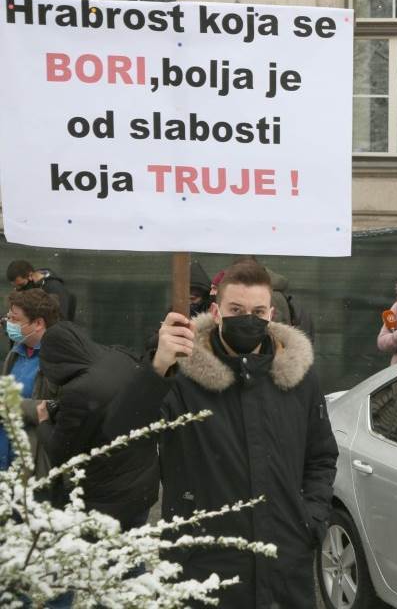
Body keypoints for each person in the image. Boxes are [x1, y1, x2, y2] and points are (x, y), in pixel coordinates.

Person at [103, 260, 338, 608]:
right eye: (236, 309)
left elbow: (320, 456)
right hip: (202, 565)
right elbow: (123, 437)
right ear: (216, 311)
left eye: (258, 311)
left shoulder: (298, 378)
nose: (249, 318)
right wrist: (156, 369)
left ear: (271, 313)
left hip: (285, 563)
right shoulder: (181, 377)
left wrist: (311, 520)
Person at [35, 322, 158, 530]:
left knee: (104, 559)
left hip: (107, 499)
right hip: (142, 486)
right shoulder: (121, 356)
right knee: (133, 554)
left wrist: (44, 421)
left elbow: (60, 452)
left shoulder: (79, 392)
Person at [0, 289, 60, 474]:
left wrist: (11, 406)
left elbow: (60, 408)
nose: (8, 323)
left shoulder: (57, 359)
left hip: (34, 463)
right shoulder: (16, 353)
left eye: (15, 319)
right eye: (8, 317)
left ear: (38, 323)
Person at [6, 260, 76, 321]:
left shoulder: (54, 288)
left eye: (21, 285)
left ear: (30, 275)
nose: (18, 289)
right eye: (16, 287)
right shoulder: (34, 288)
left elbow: (61, 318)